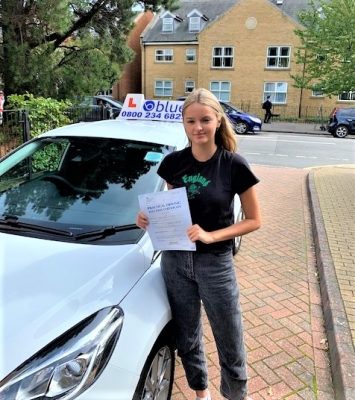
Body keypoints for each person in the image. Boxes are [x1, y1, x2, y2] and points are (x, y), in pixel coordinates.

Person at [136, 88, 261, 400]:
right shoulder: (173, 163)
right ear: (184, 123)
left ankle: (235, 395)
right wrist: (149, 217)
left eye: (205, 119)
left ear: (218, 120)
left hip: (215, 263)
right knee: (187, 336)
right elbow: (171, 205)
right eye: (191, 121)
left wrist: (211, 235)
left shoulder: (234, 165)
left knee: (230, 339)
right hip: (176, 261)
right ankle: (200, 393)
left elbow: (254, 220)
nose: (198, 127)